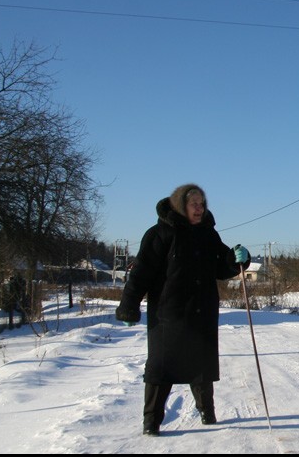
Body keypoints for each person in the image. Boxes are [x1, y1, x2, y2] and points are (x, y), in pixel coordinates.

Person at [115, 184, 251, 436]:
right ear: (181, 205)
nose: (199, 208)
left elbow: (222, 267)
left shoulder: (209, 235)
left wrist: (238, 259)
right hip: (169, 314)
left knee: (201, 364)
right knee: (161, 367)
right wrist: (128, 306)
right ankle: (151, 422)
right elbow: (141, 274)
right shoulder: (159, 234)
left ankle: (207, 412)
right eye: (194, 204)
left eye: (202, 204)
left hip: (202, 312)